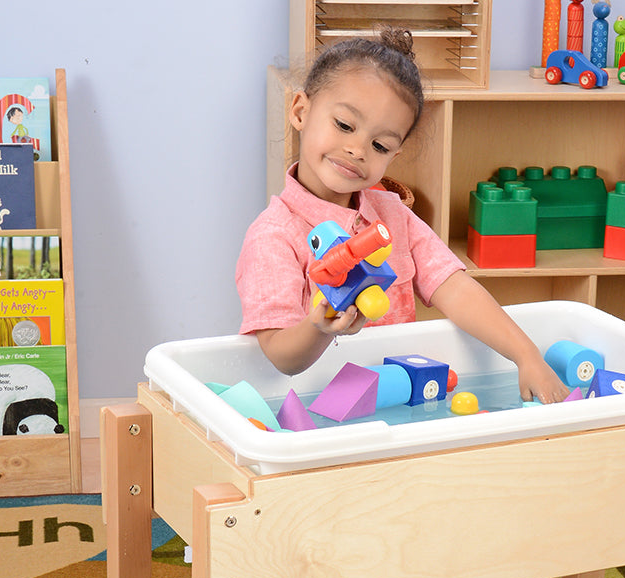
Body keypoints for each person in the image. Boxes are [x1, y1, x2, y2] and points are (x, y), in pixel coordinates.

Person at [236, 28, 570, 403]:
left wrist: (526, 355)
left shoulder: (393, 217)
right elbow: (280, 355)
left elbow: (455, 288)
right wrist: (319, 328)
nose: (357, 149)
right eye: (344, 125)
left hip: (399, 402)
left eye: (380, 145)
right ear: (300, 111)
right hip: (317, 409)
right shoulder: (273, 235)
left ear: (393, 157)